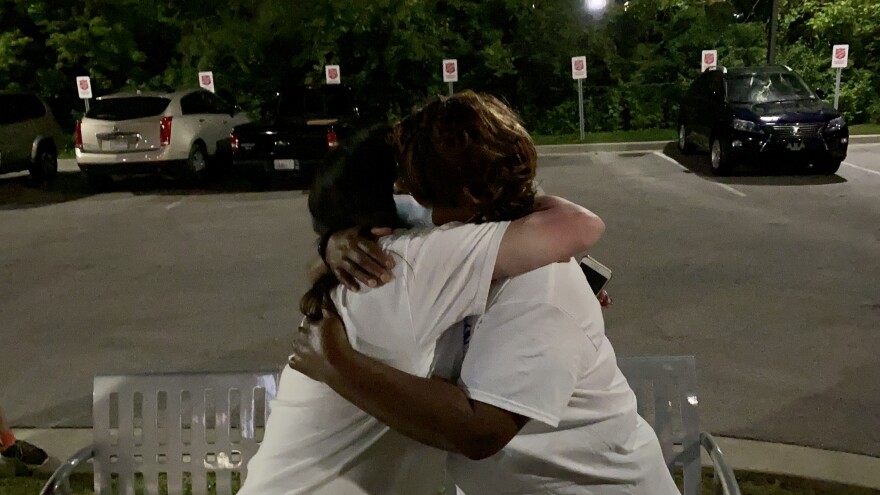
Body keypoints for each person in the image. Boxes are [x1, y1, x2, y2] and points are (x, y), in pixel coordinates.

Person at [289, 95, 679, 494]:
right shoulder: (465, 252)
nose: (405, 195)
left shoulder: (540, 284)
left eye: (414, 185)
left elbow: (479, 432)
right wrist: (335, 243)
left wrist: (334, 361)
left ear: (466, 195)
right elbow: (354, 262)